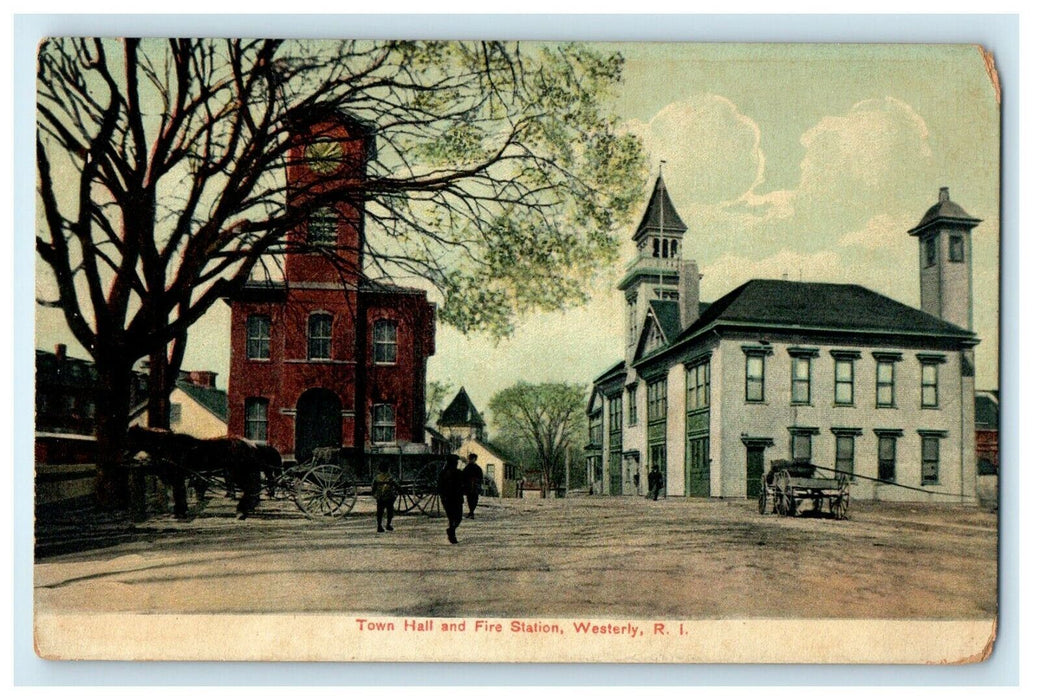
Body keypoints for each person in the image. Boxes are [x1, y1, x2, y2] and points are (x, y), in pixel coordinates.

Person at [437, 455, 465, 544]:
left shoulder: (442, 473)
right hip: (454, 498)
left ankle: (451, 532)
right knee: (458, 517)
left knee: (452, 518)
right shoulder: (457, 473)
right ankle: (451, 532)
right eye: (456, 462)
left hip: (447, 499)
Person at [372, 462, 399, 533]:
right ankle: (388, 525)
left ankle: (379, 526)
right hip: (389, 497)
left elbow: (373, 487)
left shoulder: (377, 477)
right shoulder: (390, 477)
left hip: (380, 497)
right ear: (388, 469)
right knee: (390, 511)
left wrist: (374, 494)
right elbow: (396, 485)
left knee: (380, 512)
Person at [462, 453, 483, 519]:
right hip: (468, 486)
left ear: (475, 459)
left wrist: (477, 482)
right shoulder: (467, 467)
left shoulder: (478, 468)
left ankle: (471, 512)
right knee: (469, 499)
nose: (471, 460)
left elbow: (480, 477)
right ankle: (471, 512)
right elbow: (463, 476)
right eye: (470, 459)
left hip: (475, 486)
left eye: (472, 459)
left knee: (475, 499)